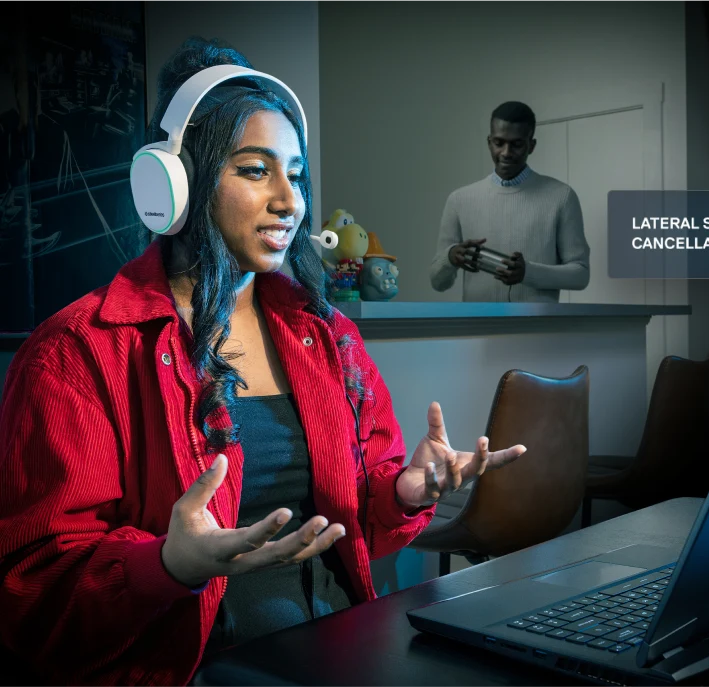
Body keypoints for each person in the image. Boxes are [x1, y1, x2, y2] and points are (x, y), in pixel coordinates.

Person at [0, 37, 525, 687]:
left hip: (339, 642)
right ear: (177, 182)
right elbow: (33, 597)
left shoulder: (326, 337)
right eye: (255, 170)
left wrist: (404, 490)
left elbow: (361, 526)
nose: (290, 201)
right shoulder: (75, 354)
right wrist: (167, 565)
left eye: (295, 173)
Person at [429, 101, 590, 302]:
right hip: (478, 328)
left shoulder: (561, 196)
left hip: (539, 330)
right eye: (499, 143)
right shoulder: (459, 199)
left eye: (516, 144)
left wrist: (528, 273)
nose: (506, 152)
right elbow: (437, 281)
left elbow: (581, 274)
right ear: (489, 142)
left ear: (531, 145)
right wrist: (451, 257)